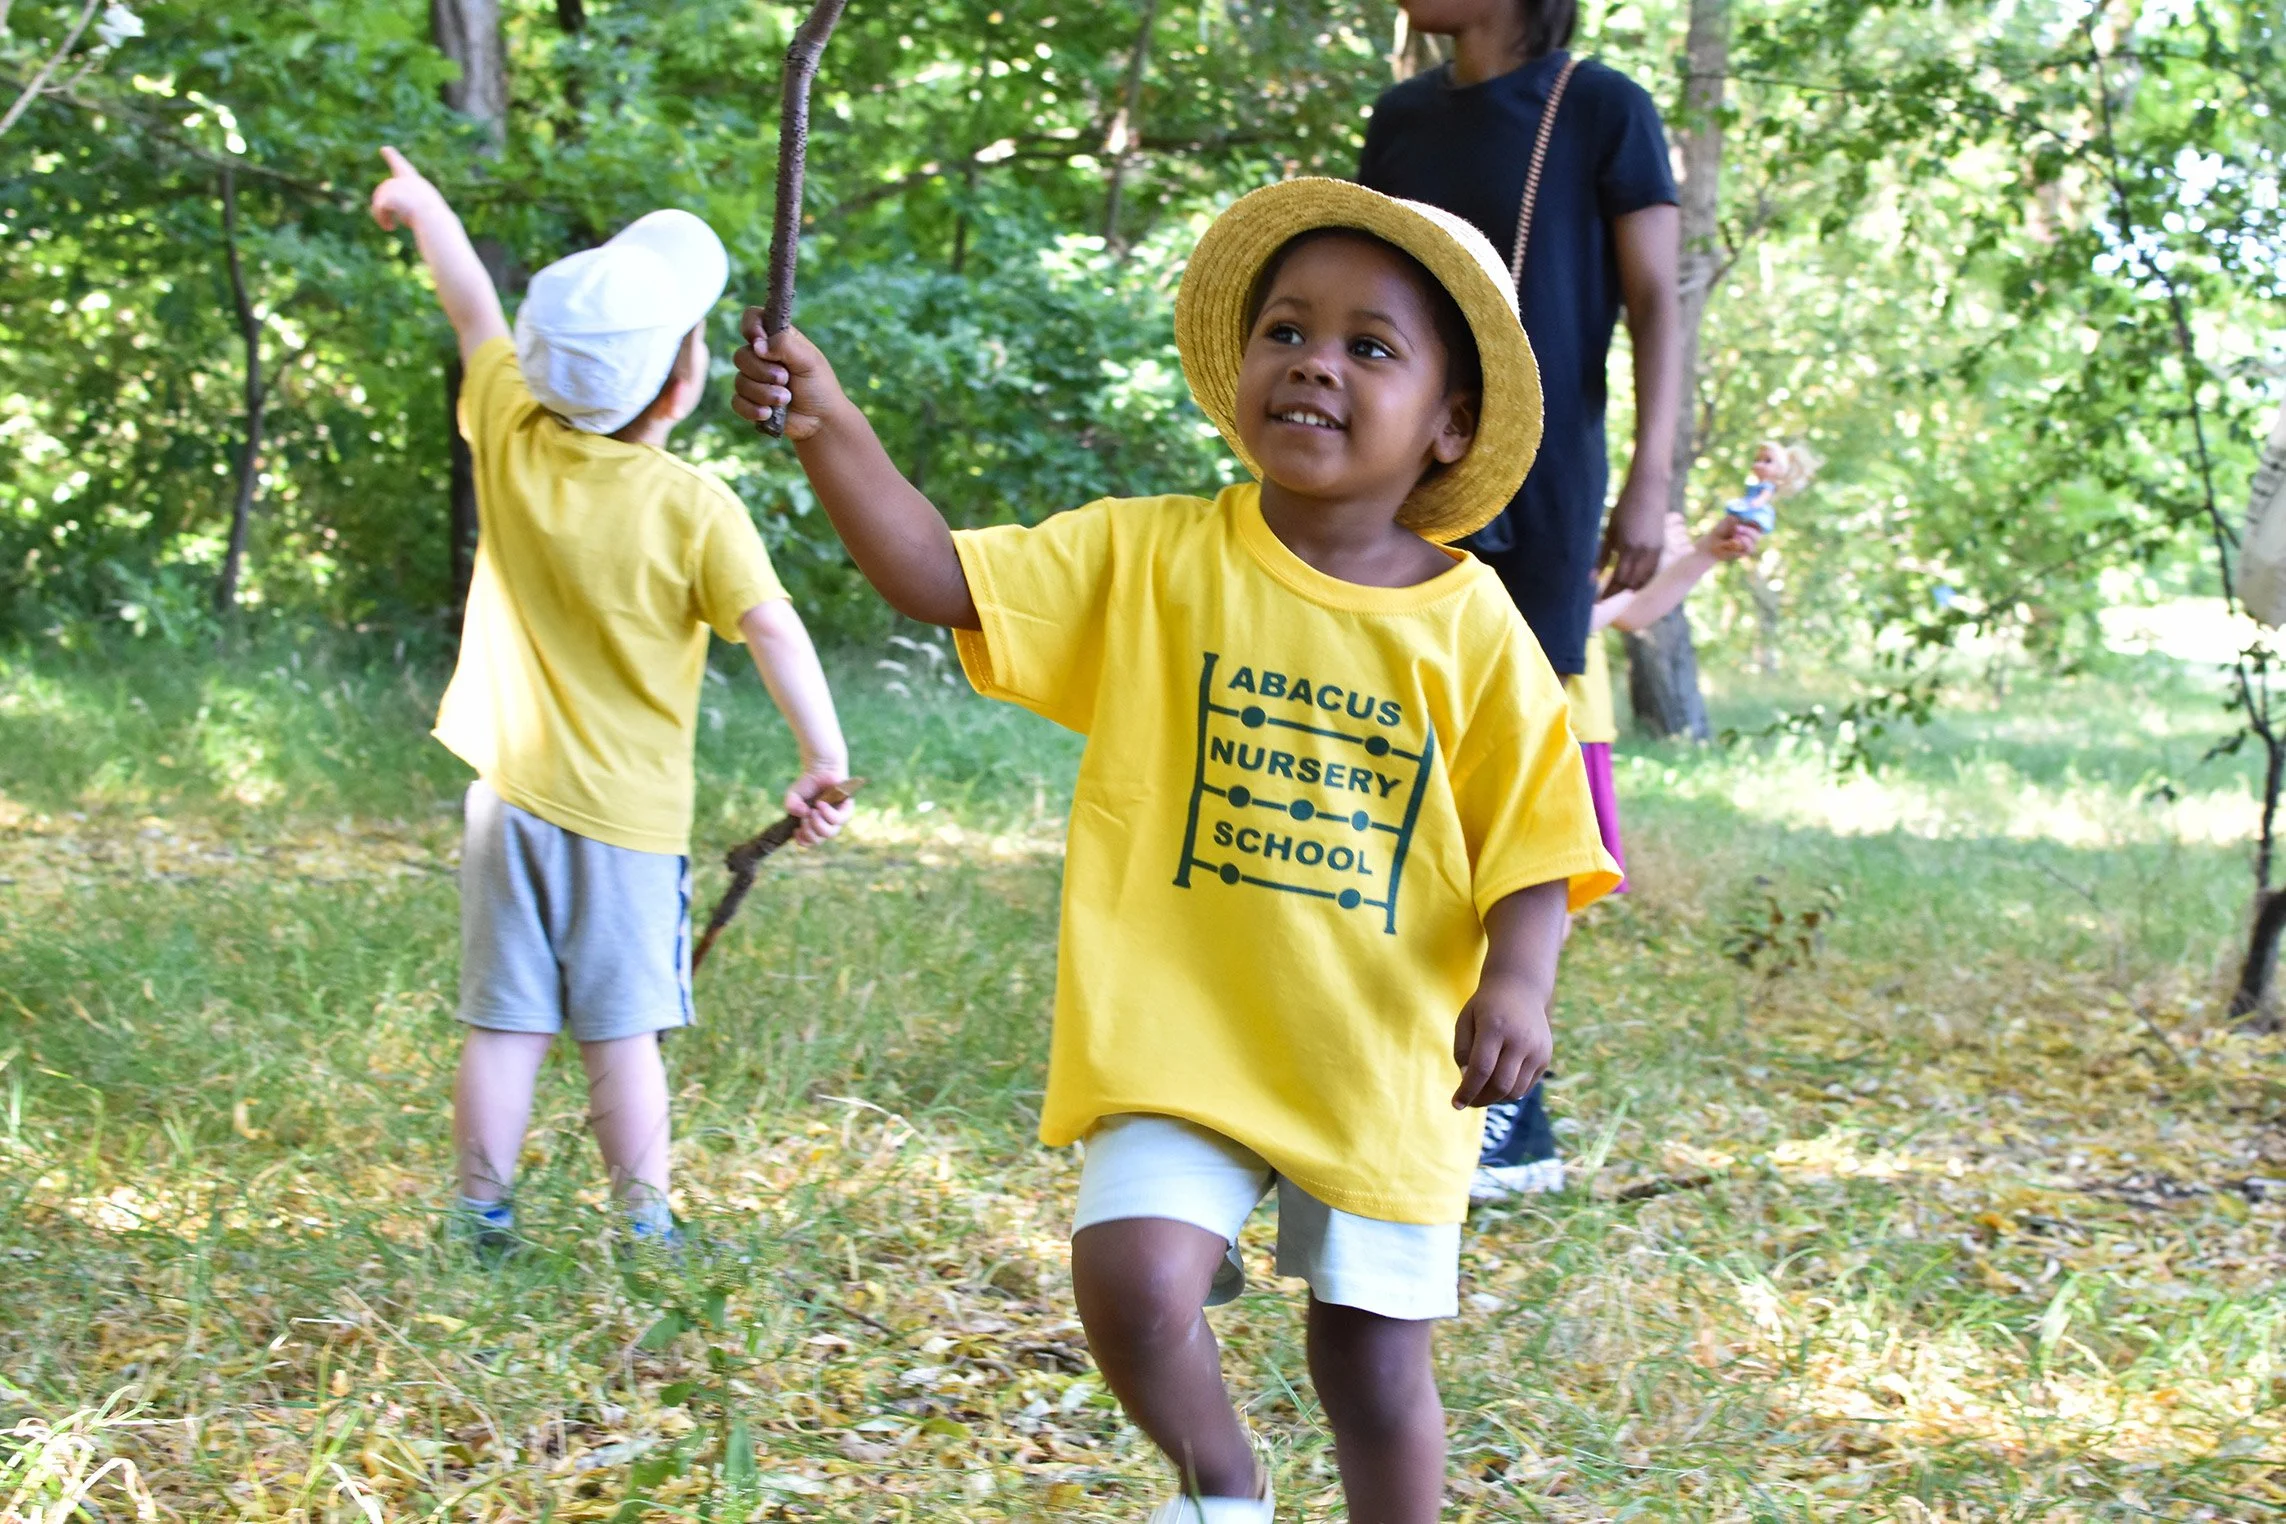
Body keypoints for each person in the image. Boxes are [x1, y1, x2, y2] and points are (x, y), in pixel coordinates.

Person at [733, 178, 1618, 1524]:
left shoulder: (1473, 627)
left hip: (1379, 1055)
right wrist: (830, 423)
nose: (1314, 359)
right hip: (1183, 1034)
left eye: (1369, 345)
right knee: (1133, 1283)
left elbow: (1539, 836)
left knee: (1367, 1362)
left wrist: (1519, 981)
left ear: (1448, 424)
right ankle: (1222, 1489)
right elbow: (936, 575)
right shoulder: (1154, 556)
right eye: (1285, 329)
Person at [368, 147, 854, 1251]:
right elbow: (772, 624)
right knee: (621, 1033)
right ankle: (643, 1226)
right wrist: (823, 755)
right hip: (626, 829)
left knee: (502, 1027)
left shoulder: (508, 430)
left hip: (508, 803)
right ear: (683, 384)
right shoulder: (695, 509)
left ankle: (478, 1216)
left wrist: (427, 207)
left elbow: (470, 308)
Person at [1361, 1, 1682, 1205]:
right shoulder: (1400, 119)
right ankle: (1393, 1067)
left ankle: (1513, 1112)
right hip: (1404, 469)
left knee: (1510, 769)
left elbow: (1656, 304)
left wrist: (1649, 482)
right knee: (1396, 751)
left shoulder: (1603, 107)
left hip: (1547, 485)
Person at [1471, 510, 1767, 1200]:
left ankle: (1508, 1115)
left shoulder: (1574, 526)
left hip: (1575, 735)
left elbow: (1626, 611)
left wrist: (1698, 555)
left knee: (1546, 926)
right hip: (1501, 732)